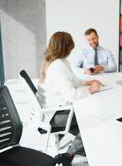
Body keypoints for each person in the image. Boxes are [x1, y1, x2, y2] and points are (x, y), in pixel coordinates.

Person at [36, 31, 102, 166]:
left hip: (54, 110)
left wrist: (87, 83)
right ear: (64, 48)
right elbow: (71, 94)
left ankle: (83, 148)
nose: (72, 49)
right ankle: (69, 155)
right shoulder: (57, 66)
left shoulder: (59, 61)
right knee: (93, 121)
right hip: (55, 115)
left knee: (89, 120)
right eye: (70, 47)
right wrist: (91, 90)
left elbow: (72, 80)